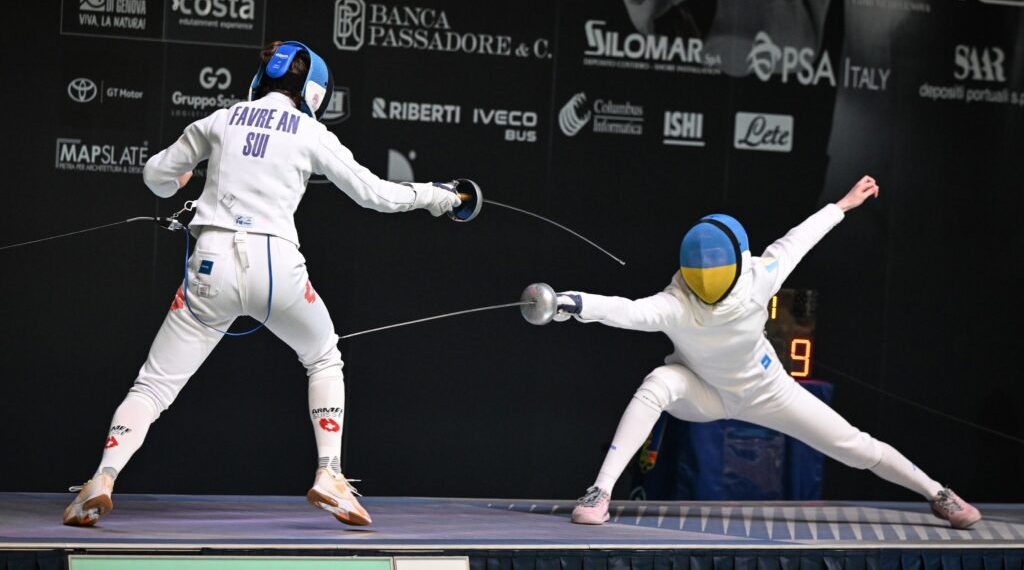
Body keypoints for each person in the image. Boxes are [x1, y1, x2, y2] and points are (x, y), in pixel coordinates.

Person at [62, 40, 463, 528]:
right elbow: (376, 195)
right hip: (278, 267)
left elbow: (154, 176)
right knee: (323, 357)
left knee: (154, 384)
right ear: (314, 92)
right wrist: (437, 196)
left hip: (210, 267)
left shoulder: (220, 120)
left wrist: (178, 180)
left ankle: (102, 478)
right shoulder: (310, 133)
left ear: (260, 80)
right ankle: (330, 473)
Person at [553, 176, 981, 529]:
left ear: (738, 262)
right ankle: (600, 492)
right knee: (659, 384)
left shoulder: (760, 276)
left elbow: (801, 238)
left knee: (856, 447)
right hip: (703, 391)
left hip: (767, 390)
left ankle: (937, 493)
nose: (707, 283)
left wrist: (842, 206)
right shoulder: (677, 301)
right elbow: (623, 310)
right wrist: (569, 302)